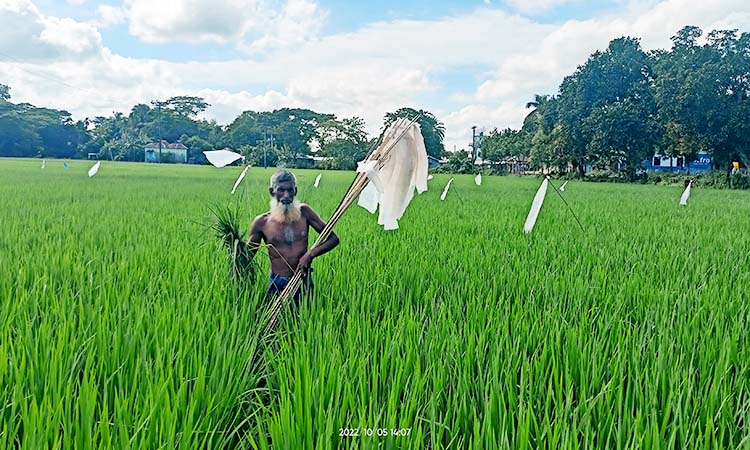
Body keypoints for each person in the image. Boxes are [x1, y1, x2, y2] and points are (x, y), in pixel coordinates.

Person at [246, 170, 340, 308]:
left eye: (290, 190)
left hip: (302, 280)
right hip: (277, 282)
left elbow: (333, 239)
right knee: (276, 325)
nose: (286, 195)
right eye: (281, 190)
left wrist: (310, 255)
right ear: (272, 192)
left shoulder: (305, 213)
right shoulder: (262, 222)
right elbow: (248, 255)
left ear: (295, 191)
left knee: (306, 322)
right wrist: (235, 246)